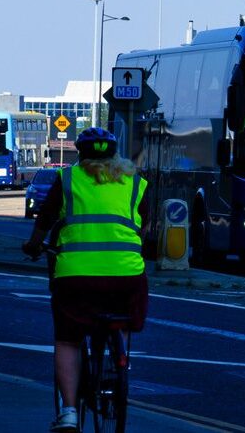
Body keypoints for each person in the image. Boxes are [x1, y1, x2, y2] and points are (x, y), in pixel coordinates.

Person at [23, 127, 150, 433]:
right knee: (123, 317)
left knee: (68, 339)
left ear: (80, 153)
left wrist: (34, 245)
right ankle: (119, 361)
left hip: (76, 277)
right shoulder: (136, 183)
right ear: (114, 154)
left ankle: (68, 412)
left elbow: (45, 219)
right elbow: (143, 229)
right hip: (126, 275)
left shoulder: (67, 179)